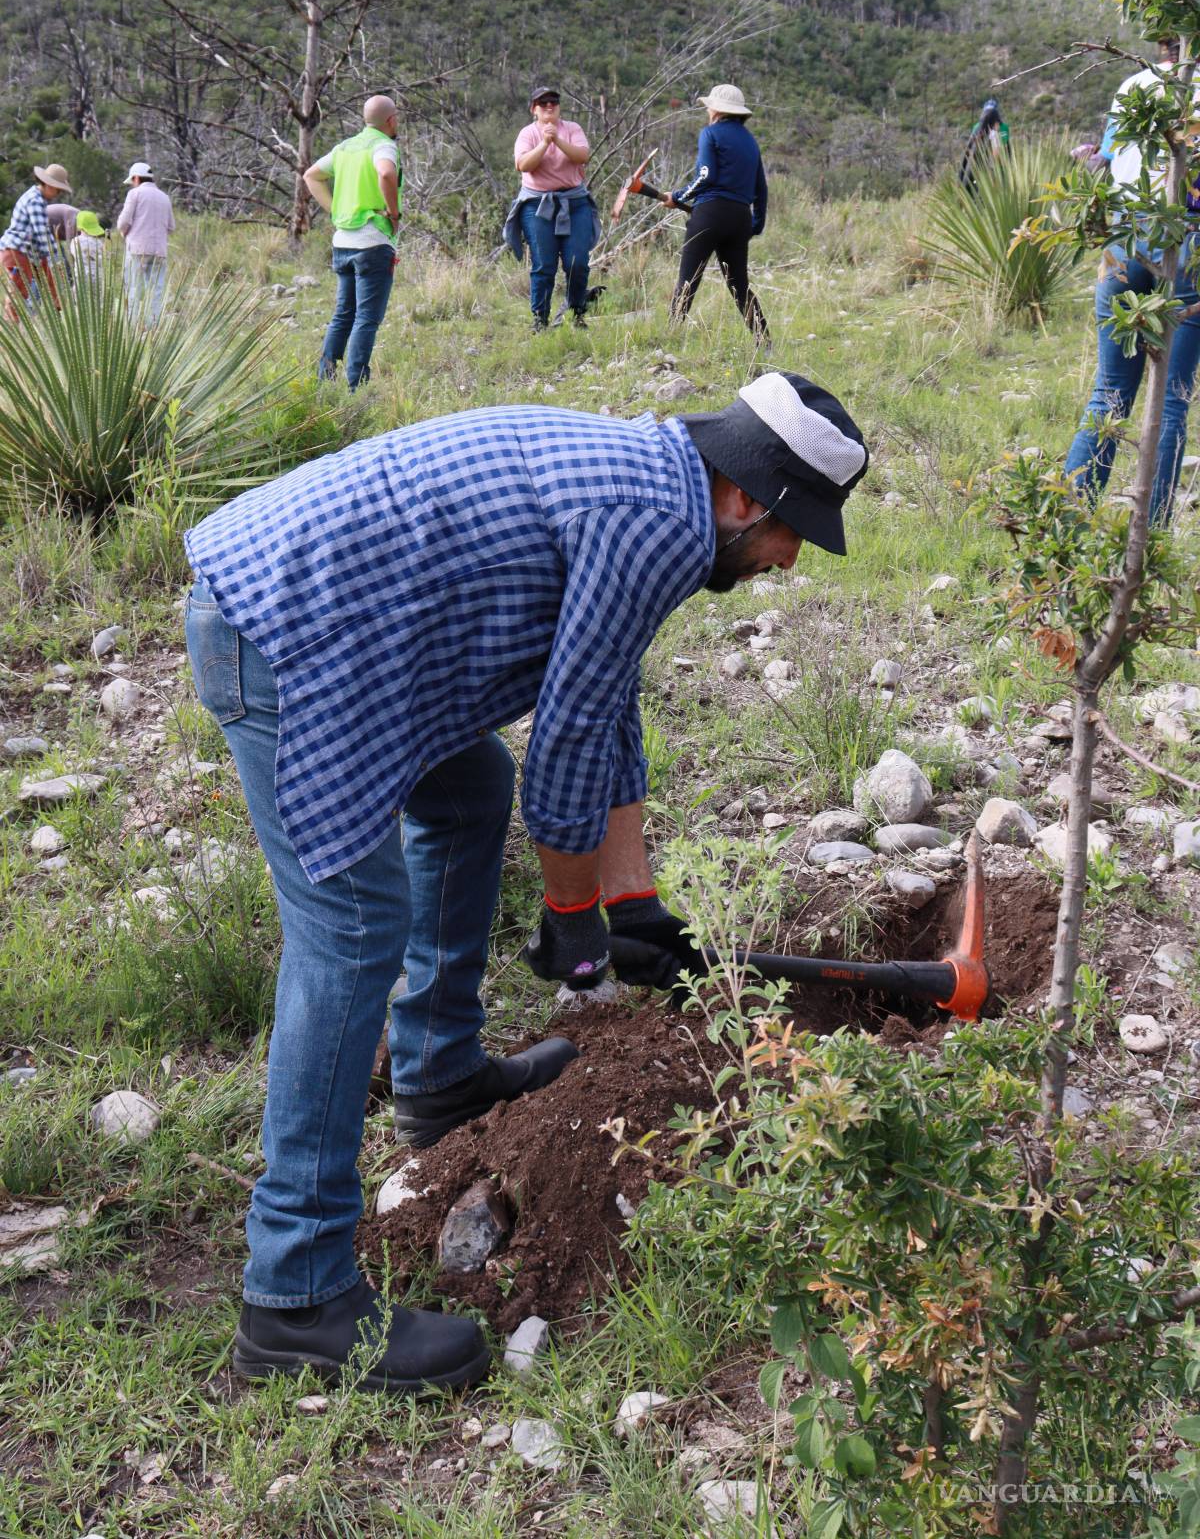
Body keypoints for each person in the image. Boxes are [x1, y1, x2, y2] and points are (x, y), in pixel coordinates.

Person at [183, 371, 868, 1393]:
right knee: (355, 931)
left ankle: (437, 1073)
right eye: (791, 531)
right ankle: (295, 1294)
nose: (790, 559)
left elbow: (606, 694)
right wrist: (573, 916)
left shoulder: (658, 482)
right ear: (743, 499)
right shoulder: (658, 521)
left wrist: (631, 902)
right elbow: (570, 743)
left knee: (469, 791)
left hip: (333, 627)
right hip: (285, 636)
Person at [1063, 38, 1200, 527]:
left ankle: (1069, 525)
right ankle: (1152, 534)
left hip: (1125, 237)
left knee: (1108, 393)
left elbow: (1108, 159)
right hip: (1187, 238)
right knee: (1171, 400)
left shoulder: (1133, 84)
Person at [305, 94, 402, 390]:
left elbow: (312, 176)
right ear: (391, 120)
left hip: (343, 242)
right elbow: (386, 172)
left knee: (343, 314)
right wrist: (394, 214)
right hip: (373, 242)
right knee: (366, 318)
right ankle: (355, 387)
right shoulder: (383, 145)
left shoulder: (345, 147)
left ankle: (325, 379)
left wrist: (335, 211)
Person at [666, 84, 769, 343]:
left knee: (688, 280)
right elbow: (761, 188)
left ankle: (670, 338)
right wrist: (755, 225)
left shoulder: (710, 133)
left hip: (709, 213)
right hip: (740, 218)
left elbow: (706, 176)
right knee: (739, 285)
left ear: (716, 110)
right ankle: (764, 341)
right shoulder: (751, 142)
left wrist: (677, 196)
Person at [508, 85, 599, 331]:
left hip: (574, 203)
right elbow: (523, 165)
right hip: (537, 205)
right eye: (543, 103)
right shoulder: (527, 134)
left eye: (553, 102)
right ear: (533, 109)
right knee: (544, 264)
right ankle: (540, 319)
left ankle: (577, 313)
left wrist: (556, 139)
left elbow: (582, 156)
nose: (549, 106)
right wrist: (544, 143)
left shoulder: (572, 129)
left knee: (577, 262)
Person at [0, 163, 70, 320]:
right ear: (49, 185)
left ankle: (58, 317)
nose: (58, 194)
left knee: (52, 281)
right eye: (58, 189)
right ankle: (11, 327)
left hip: (29, 252)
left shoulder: (37, 198)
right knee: (18, 293)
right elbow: (42, 233)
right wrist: (56, 258)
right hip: (17, 251)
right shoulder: (35, 201)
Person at [117, 162, 175, 324]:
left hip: (137, 249)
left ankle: (132, 327)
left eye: (132, 180)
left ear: (136, 178)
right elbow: (171, 227)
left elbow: (123, 222)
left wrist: (124, 232)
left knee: (133, 289)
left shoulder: (134, 194)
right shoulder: (164, 197)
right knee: (156, 291)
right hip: (159, 251)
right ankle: (153, 328)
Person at [958, 97, 1011, 195]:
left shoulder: (979, 127)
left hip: (977, 169)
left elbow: (969, 151)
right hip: (990, 170)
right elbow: (1003, 149)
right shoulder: (999, 128)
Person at [70, 210, 108, 286]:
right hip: (98, 278)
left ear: (79, 227)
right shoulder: (98, 242)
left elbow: (74, 255)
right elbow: (104, 258)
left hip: (81, 278)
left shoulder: (74, 241)